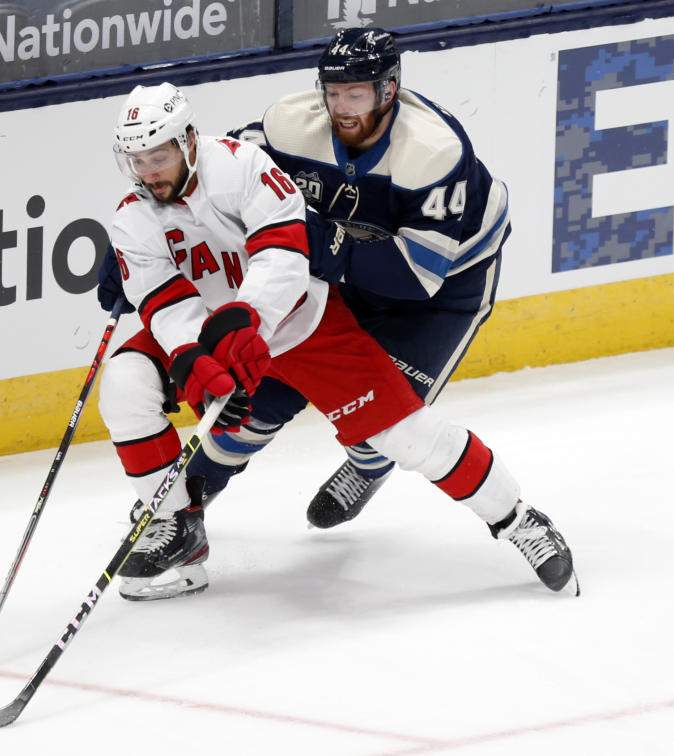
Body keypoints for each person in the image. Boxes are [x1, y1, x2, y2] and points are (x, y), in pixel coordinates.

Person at [95, 80, 578, 602]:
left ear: (188, 139)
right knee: (124, 385)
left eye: (158, 155)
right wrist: (191, 354)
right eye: (136, 161)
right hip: (217, 327)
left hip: (301, 324)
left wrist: (247, 321)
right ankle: (177, 531)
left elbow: (285, 252)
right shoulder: (132, 215)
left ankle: (518, 519)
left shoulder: (242, 168)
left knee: (404, 437)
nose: (149, 173)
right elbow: (165, 302)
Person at [185, 27, 513, 531]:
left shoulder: (433, 152)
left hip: (444, 289)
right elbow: (208, 173)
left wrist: (324, 242)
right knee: (253, 402)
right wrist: (148, 232)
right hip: (343, 274)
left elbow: (416, 278)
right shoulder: (289, 126)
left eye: (355, 93)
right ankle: (181, 507)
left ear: (388, 90)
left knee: (386, 422)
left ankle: (368, 462)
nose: (341, 106)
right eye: (333, 92)